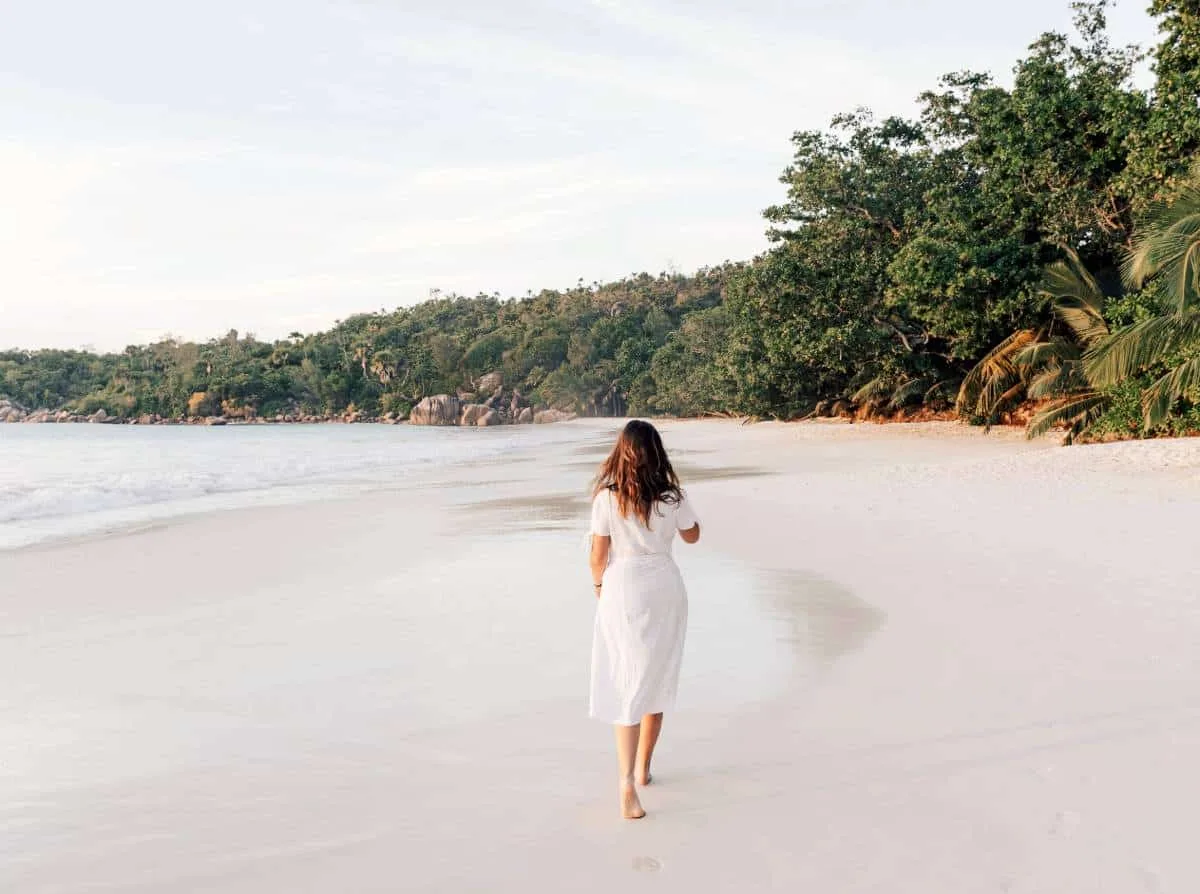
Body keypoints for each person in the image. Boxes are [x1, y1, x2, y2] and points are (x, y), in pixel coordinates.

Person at [588, 420, 701, 820]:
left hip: (622, 588)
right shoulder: (671, 497)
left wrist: (601, 589)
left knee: (627, 681)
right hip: (664, 587)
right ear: (657, 452)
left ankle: (626, 783)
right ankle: (643, 769)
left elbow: (598, 556)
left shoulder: (606, 498)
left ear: (621, 452)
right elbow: (693, 536)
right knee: (657, 677)